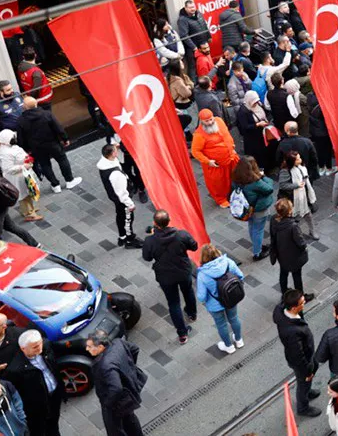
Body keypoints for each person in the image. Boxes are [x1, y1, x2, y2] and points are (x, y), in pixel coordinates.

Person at [141, 209, 198, 344]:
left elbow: (147, 257)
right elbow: (194, 246)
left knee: (173, 303)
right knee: (188, 291)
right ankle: (192, 313)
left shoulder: (150, 240)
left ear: (155, 223)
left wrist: (152, 238)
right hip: (183, 271)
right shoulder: (181, 235)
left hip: (165, 276)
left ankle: (182, 334)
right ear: (169, 221)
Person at [86, 329, 148, 436]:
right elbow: (134, 349)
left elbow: (116, 388)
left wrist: (107, 404)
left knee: (114, 429)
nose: (87, 349)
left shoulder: (104, 365)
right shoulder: (118, 342)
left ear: (100, 347)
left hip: (116, 402)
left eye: (90, 346)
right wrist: (128, 370)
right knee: (130, 418)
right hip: (128, 393)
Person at [273, 290, 323, 418]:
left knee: (310, 373)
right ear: (294, 307)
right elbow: (299, 356)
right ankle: (303, 407)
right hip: (302, 362)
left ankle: (307, 390)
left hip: (307, 356)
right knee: (303, 382)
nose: (304, 302)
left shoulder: (282, 311)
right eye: (302, 302)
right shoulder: (292, 332)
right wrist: (307, 372)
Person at [4, 329, 64, 436]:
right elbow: (15, 393)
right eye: (35, 347)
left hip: (54, 396)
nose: (40, 347)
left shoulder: (46, 346)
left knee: (54, 424)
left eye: (40, 343)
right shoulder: (15, 370)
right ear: (23, 348)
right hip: (37, 408)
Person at [15, 97, 81, 192]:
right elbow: (58, 127)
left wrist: (26, 149)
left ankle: (55, 185)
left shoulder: (21, 121)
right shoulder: (46, 114)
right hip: (52, 143)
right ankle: (69, 180)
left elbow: (21, 138)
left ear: (24, 107)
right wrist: (65, 138)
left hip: (37, 147)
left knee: (45, 165)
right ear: (36, 104)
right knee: (62, 160)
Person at [196, 243, 245, 354]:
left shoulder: (203, 274)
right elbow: (241, 276)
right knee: (234, 318)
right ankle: (239, 340)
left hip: (215, 305)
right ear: (217, 252)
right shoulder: (228, 262)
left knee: (221, 324)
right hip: (231, 298)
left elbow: (201, 297)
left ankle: (228, 346)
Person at [190, 109, 240, 207]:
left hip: (231, 157)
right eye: (207, 121)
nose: (210, 122)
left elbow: (227, 135)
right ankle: (221, 200)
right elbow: (195, 151)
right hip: (216, 165)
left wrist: (232, 146)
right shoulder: (199, 135)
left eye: (211, 119)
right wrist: (208, 161)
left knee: (236, 175)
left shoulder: (219, 121)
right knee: (218, 184)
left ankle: (235, 192)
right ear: (201, 121)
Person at [98, 143, 141, 249]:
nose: (117, 151)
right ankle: (129, 240)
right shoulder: (115, 174)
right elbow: (121, 193)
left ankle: (122, 237)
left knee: (120, 216)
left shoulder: (104, 162)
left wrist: (113, 146)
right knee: (128, 219)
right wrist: (130, 204)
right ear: (112, 154)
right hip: (122, 200)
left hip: (115, 198)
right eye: (115, 151)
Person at [232, 156, 275, 260]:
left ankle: (257, 245)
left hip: (246, 209)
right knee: (258, 230)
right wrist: (263, 176)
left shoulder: (235, 177)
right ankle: (257, 253)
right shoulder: (255, 181)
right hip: (258, 209)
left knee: (252, 226)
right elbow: (269, 189)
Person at [0, 130, 42, 222]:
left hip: (24, 174)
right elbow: (8, 169)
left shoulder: (12, 147)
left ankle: (29, 209)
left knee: (28, 192)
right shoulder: (5, 153)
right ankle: (29, 214)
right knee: (23, 195)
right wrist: (23, 166)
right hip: (16, 177)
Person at [270, 199, 313, 298]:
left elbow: (273, 236)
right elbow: (301, 243)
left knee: (283, 274)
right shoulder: (293, 226)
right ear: (289, 211)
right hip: (294, 256)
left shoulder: (273, 220)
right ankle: (300, 297)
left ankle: (284, 292)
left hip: (281, 254)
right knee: (297, 277)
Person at [279, 149, 319, 240]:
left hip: (303, 196)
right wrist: (297, 185)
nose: (300, 160)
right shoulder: (285, 171)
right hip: (292, 198)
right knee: (293, 218)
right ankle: (293, 233)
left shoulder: (301, 167)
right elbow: (283, 185)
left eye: (299, 158)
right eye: (297, 159)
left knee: (307, 214)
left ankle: (312, 231)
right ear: (292, 161)